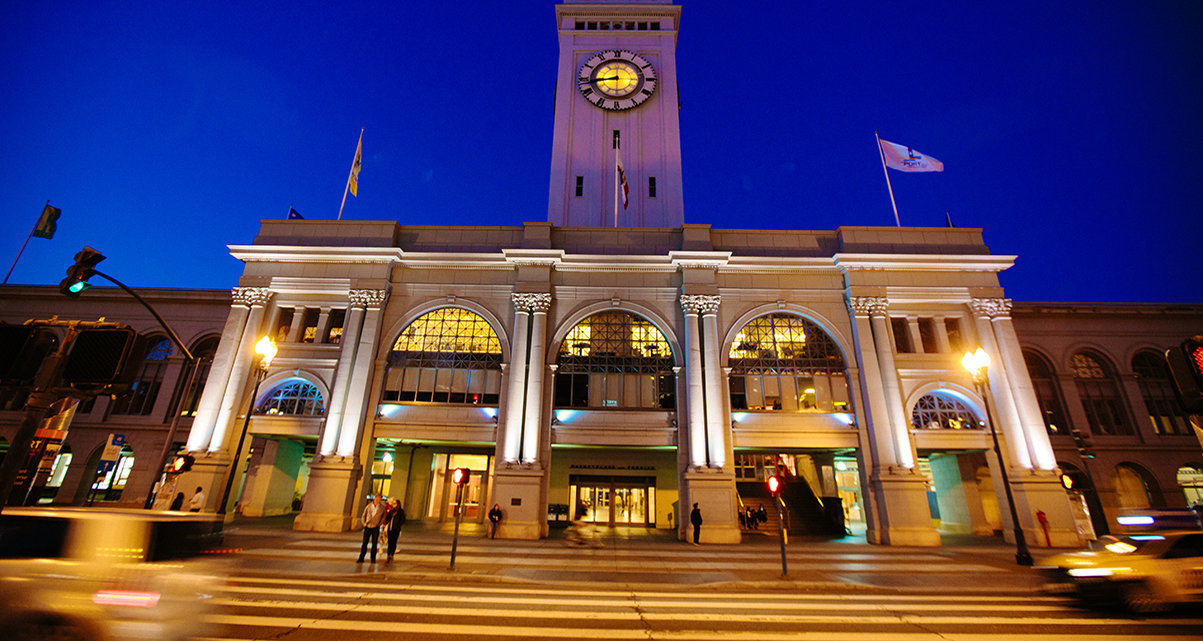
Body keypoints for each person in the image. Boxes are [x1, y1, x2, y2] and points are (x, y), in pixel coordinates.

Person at [357, 494, 387, 563]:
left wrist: (379, 524)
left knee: (374, 543)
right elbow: (364, 515)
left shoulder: (382, 508)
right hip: (368, 526)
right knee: (365, 542)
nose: (378, 500)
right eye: (377, 498)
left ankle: (373, 558)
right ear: (374, 498)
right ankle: (361, 557)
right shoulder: (369, 506)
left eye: (379, 499)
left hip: (375, 527)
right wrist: (364, 523)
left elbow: (383, 517)